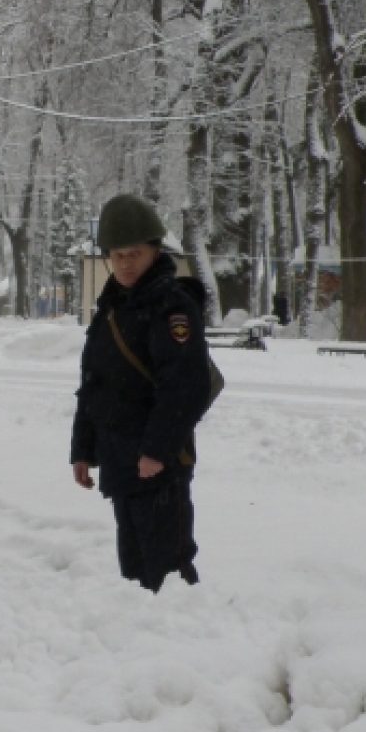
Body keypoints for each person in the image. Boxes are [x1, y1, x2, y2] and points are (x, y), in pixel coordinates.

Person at [70, 194, 213, 593]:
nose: (125, 263)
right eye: (117, 255)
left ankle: (186, 646)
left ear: (154, 251)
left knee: (170, 571)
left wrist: (156, 449)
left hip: (158, 466)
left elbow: (186, 386)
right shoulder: (112, 307)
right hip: (120, 460)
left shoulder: (171, 307)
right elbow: (93, 383)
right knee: (134, 574)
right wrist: (83, 450)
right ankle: (144, 649)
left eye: (134, 253)